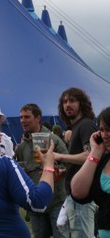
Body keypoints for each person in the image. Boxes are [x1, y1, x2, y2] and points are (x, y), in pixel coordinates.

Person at [14, 103, 69, 238]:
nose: (22, 121)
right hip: (36, 205)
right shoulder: (21, 148)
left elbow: (68, 163)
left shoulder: (53, 140)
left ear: (38, 118)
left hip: (56, 201)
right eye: (21, 117)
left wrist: (58, 170)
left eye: (27, 117)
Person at [54, 87, 98, 237]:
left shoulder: (86, 124)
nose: (67, 105)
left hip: (83, 198)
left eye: (72, 101)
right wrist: (66, 170)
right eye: (65, 102)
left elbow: (90, 156)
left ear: (82, 103)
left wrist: (60, 156)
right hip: (74, 195)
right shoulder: (75, 127)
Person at [71, 106, 110, 238]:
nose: (105, 135)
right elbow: (77, 192)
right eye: (102, 130)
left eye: (109, 130)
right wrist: (95, 152)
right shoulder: (104, 160)